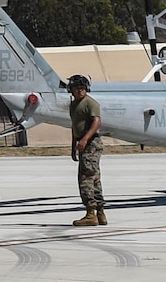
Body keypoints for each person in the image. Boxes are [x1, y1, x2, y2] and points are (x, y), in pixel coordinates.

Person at [67, 75, 106, 226]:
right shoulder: (74, 105)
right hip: (83, 143)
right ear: (71, 90)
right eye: (77, 88)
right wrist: (74, 146)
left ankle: (91, 213)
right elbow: (74, 125)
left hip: (91, 143)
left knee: (86, 178)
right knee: (94, 178)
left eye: (82, 88)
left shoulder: (90, 103)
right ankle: (100, 213)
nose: (80, 91)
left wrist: (84, 140)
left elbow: (97, 122)